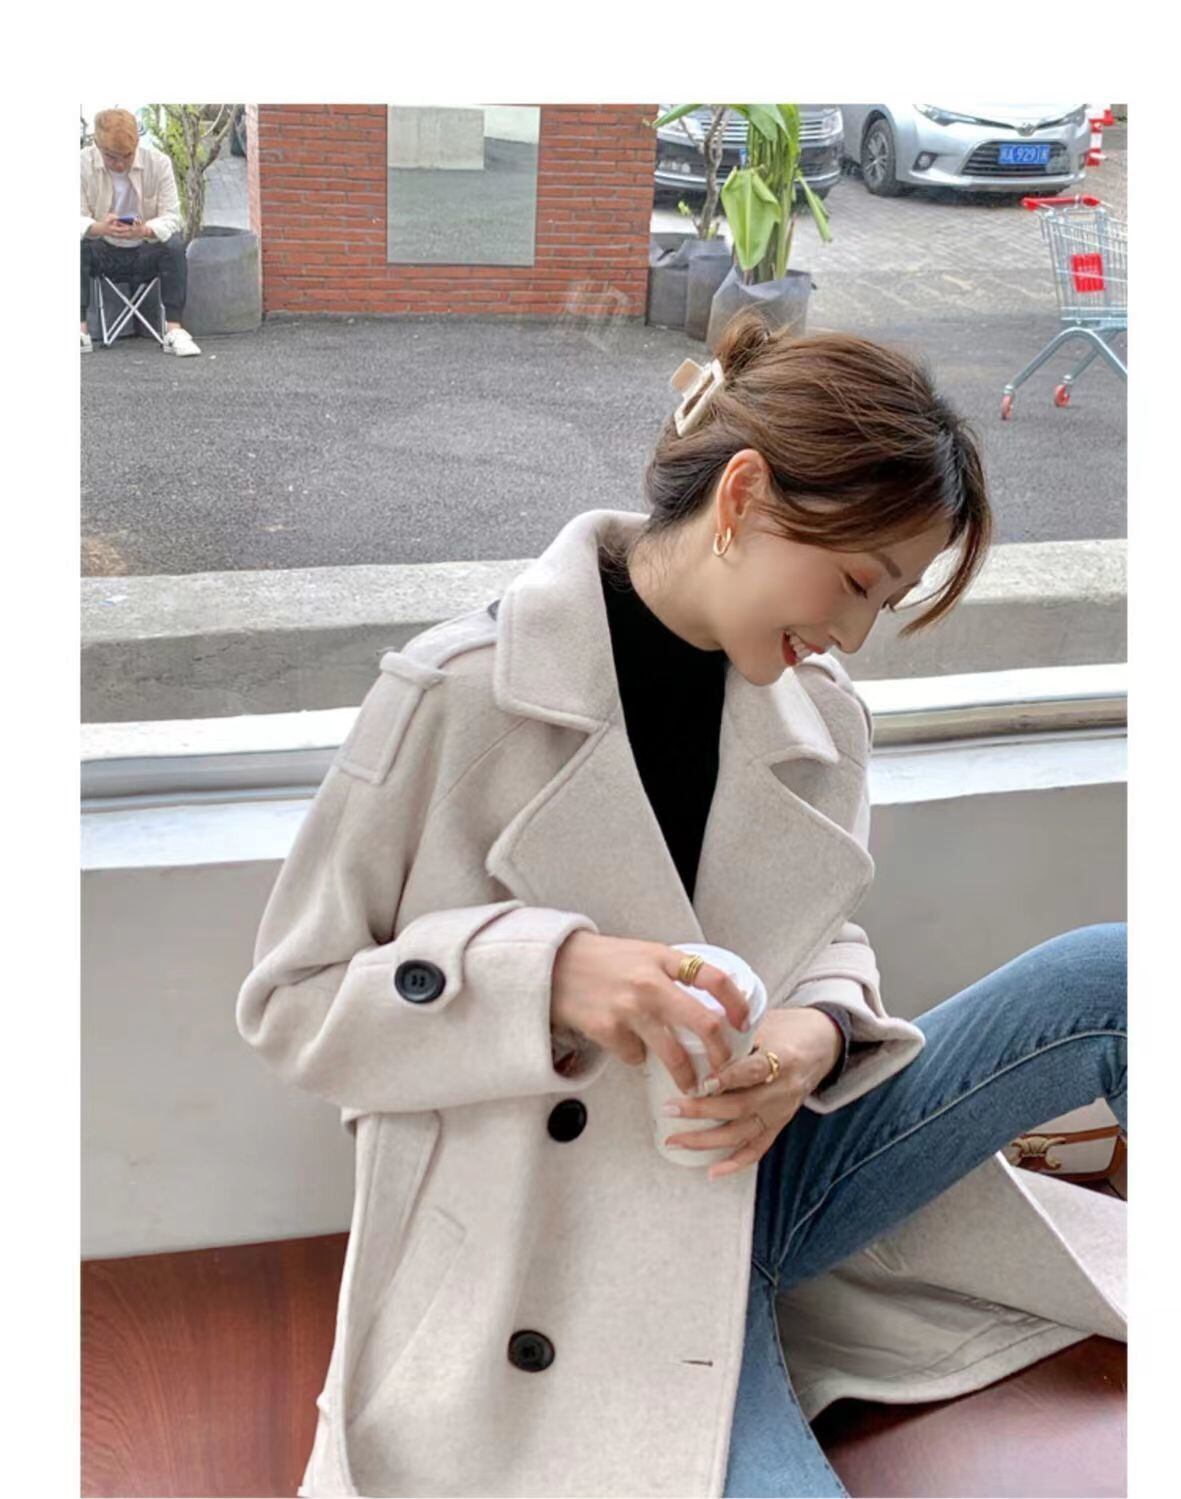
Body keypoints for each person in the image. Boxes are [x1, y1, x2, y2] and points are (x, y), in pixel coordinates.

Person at [236, 312, 1126, 1498]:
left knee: (1118, 976)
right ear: (743, 496)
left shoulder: (820, 719)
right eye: (856, 581)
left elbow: (820, 930)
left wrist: (815, 1032)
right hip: (571, 1247)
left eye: (888, 599)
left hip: (766, 1171)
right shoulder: (459, 695)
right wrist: (548, 976)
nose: (854, 632)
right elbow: (294, 1005)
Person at [80, 108, 201, 356]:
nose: (120, 164)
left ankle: (174, 329)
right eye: (111, 157)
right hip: (101, 246)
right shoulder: (81, 163)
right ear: (97, 145)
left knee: (174, 244)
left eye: (127, 155)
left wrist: (145, 230)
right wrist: (99, 227)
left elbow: (172, 217)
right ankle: (80, 330)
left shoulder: (158, 163)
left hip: (145, 248)